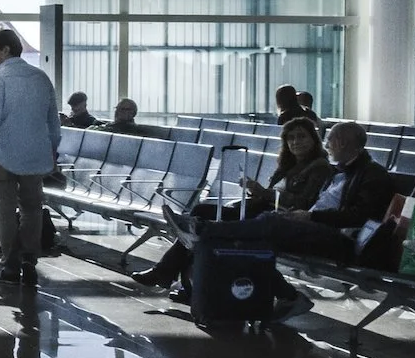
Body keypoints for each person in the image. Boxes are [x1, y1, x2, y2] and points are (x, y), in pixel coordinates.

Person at [165, 120, 399, 323]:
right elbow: (319, 205)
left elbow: (357, 217)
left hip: (342, 240)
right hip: (317, 228)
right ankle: (289, 296)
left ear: (343, 143)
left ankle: (202, 229)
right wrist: (299, 214)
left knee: (267, 223)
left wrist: (309, 216)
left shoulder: (371, 175)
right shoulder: (341, 171)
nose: (326, 145)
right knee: (253, 239)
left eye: (330, 141)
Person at [133, 117, 332, 292]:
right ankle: (176, 271)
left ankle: (168, 270)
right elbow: (272, 196)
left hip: (277, 221)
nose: (296, 142)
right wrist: (255, 191)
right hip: (261, 212)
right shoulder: (287, 166)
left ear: (314, 140)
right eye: (291, 138)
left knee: (202, 221)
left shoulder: (319, 167)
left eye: (302, 137)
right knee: (202, 218)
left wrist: (264, 193)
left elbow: (305, 202)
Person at [0, 28, 59, 286]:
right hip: (35, 157)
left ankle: (10, 266)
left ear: (6, 50)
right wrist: (51, 150)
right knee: (33, 210)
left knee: (5, 211)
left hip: (4, 156)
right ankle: (29, 262)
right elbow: (52, 123)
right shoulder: (41, 78)